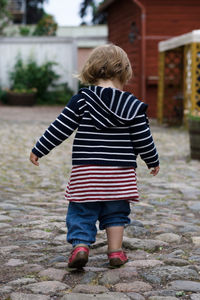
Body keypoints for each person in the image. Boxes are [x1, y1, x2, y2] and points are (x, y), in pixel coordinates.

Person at [30, 44, 160, 269]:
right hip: (120, 174)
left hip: (86, 171)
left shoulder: (81, 100)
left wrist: (39, 148)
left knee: (82, 209)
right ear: (125, 71)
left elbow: (60, 128)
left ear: (91, 69)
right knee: (117, 212)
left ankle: (80, 246)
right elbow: (143, 138)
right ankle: (116, 252)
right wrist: (152, 160)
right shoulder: (133, 106)